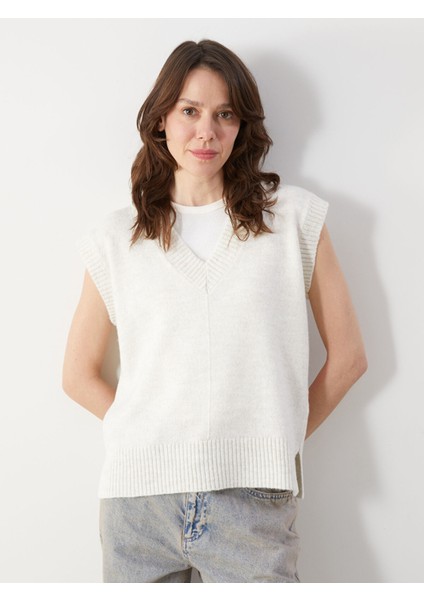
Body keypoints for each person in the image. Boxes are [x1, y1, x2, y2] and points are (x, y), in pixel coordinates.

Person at [62, 39, 368, 583]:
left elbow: (348, 359)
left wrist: (273, 441)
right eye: (190, 111)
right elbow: (77, 375)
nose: (207, 131)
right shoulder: (115, 238)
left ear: (242, 125)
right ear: (161, 120)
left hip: (252, 504)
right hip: (138, 508)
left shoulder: (293, 221)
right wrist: (151, 436)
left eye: (224, 114)